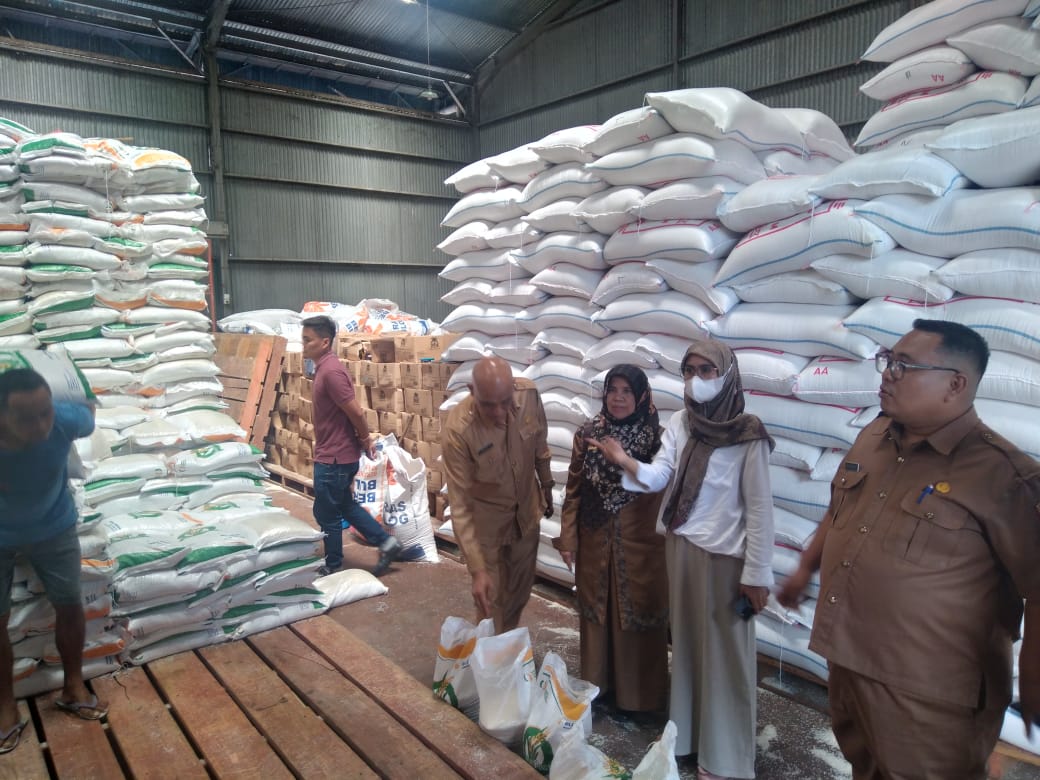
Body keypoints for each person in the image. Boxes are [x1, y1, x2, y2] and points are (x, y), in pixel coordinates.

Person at [778, 319, 1040, 779]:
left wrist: (1034, 676)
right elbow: (840, 507)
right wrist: (805, 568)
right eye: (888, 361)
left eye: (903, 365)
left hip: (930, 693)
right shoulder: (874, 436)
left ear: (955, 384)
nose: (887, 374)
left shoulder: (1004, 476)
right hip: (850, 659)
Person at [594, 341, 774, 780]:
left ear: (727, 375)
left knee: (726, 656)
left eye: (707, 370)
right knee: (690, 647)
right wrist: (624, 460)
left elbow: (760, 510)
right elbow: (660, 475)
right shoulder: (682, 422)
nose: (696, 379)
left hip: (725, 559)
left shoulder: (748, 434)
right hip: (681, 548)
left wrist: (757, 574)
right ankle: (689, 738)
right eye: (690, 370)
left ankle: (726, 757)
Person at [0, 368, 106, 753]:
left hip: (53, 525)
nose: (41, 425)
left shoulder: (65, 420)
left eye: (45, 412)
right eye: (26, 418)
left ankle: (73, 686)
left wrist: (80, 392)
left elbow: (88, 412)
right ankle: (5, 705)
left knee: (70, 604)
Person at [553, 364, 669, 712]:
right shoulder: (589, 434)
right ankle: (598, 689)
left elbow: (665, 488)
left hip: (641, 546)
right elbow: (574, 489)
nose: (618, 398)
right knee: (597, 613)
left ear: (641, 396)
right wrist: (568, 538)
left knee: (638, 616)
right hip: (595, 539)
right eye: (612, 390)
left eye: (626, 391)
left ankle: (640, 699)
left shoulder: (659, 438)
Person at [441, 356, 553, 634]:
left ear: (513, 386)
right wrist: (477, 569)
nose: (500, 412)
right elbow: (460, 506)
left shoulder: (529, 396)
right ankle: (490, 652)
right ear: (471, 391)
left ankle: (506, 647)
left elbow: (540, 445)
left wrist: (547, 485)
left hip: (526, 515)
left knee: (519, 594)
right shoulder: (458, 430)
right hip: (487, 529)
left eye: (505, 402)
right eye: (489, 405)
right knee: (490, 604)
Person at [301, 315, 401, 577]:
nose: (303, 345)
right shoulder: (323, 368)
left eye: (308, 340)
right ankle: (386, 542)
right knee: (345, 505)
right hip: (336, 454)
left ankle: (333, 564)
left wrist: (366, 439)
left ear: (325, 342)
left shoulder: (331, 372)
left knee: (326, 513)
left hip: (333, 458)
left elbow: (355, 412)